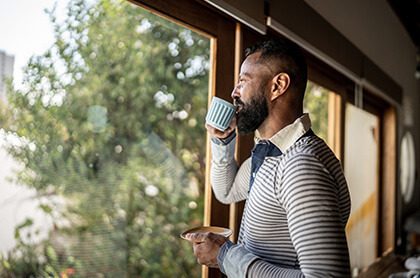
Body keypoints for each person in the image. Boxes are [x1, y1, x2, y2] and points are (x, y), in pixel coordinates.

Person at [185, 38, 351, 277]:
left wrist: (226, 256)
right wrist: (222, 141)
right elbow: (226, 191)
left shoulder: (301, 165)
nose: (234, 92)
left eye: (243, 81)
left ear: (277, 86)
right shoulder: (272, 153)